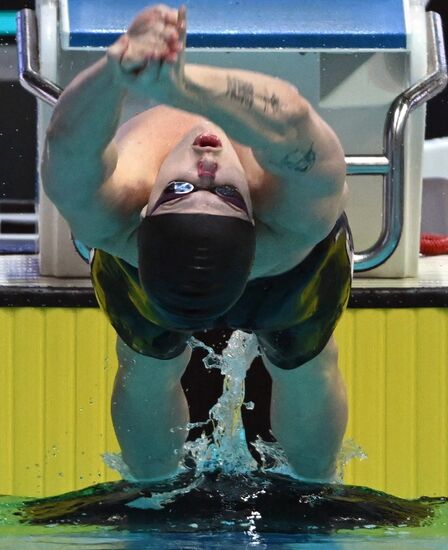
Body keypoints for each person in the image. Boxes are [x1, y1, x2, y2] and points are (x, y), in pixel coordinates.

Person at [41, 4, 352, 483]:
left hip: (255, 267)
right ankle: (154, 487)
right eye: (223, 193)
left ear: (148, 213)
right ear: (251, 219)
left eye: (184, 190)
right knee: (305, 360)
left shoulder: (107, 216)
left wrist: (119, 68)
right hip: (281, 266)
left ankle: (309, 486)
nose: (205, 166)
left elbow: (66, 142)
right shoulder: (294, 217)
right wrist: (177, 84)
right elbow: (291, 118)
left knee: (153, 360)